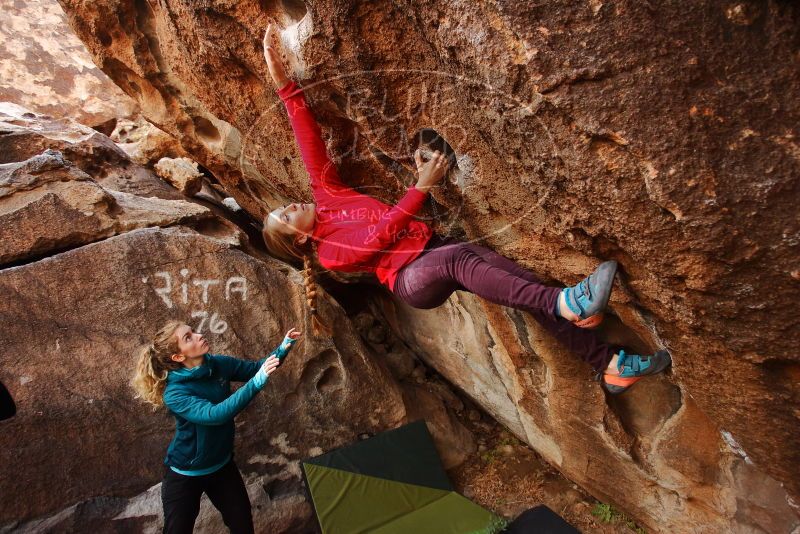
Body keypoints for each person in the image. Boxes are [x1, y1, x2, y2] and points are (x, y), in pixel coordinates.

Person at [259, 25, 669, 394]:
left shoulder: (327, 193)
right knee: (458, 258)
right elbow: (376, 238)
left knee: (519, 280)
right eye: (288, 215)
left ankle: (610, 365)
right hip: (412, 279)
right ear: (299, 237)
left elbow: (308, 139)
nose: (293, 205)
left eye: (285, 205)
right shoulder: (330, 254)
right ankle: (568, 304)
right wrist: (420, 188)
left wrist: (284, 86)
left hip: (435, 249)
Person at [132, 320, 301, 533]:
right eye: (188, 337)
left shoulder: (218, 364)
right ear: (178, 357)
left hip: (221, 466)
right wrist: (257, 382)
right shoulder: (175, 393)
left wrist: (284, 346)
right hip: (185, 474)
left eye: (192, 331)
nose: (198, 335)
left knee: (243, 526)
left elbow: (257, 369)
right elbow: (215, 415)